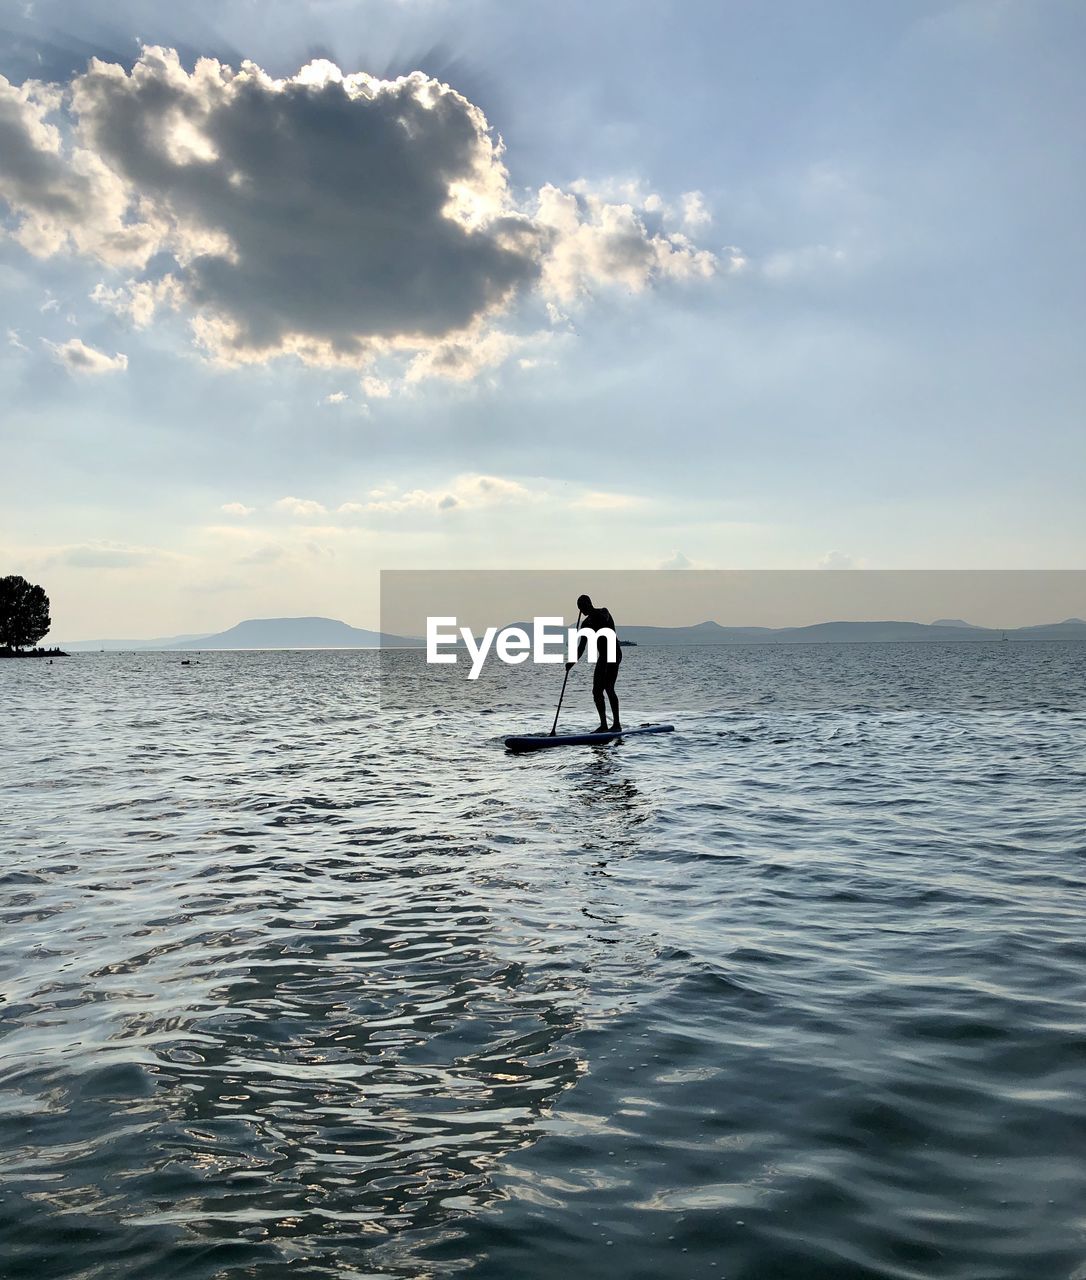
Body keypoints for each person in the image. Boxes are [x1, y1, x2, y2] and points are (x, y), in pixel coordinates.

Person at [566, 593, 622, 732]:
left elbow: (603, 623)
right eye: (579, 608)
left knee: (609, 687)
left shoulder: (604, 612)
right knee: (596, 691)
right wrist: (572, 662)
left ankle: (616, 725)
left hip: (613, 653)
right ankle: (603, 725)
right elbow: (581, 647)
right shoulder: (585, 624)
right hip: (603, 656)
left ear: (589, 604)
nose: (582, 610)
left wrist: (590, 623)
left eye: (583, 606)